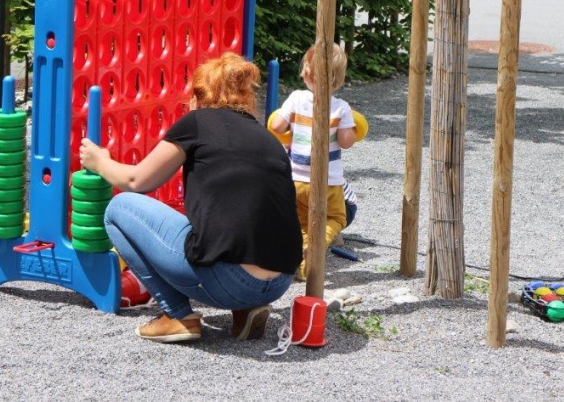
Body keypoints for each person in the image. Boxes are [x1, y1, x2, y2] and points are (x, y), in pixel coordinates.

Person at [79, 52, 302, 344]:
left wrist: (99, 162)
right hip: (279, 281)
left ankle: (177, 315)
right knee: (232, 226)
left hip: (228, 281)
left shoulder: (197, 121)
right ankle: (246, 310)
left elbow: (136, 180)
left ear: (197, 98)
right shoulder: (268, 140)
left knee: (119, 209)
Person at [270, 43, 357, 281]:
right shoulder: (341, 108)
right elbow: (346, 141)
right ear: (339, 80)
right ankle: (320, 245)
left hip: (296, 178)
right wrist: (351, 129)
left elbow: (276, 126)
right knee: (337, 218)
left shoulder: (296, 99)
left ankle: (303, 267)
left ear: (305, 73)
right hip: (329, 181)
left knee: (302, 224)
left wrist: (288, 127)